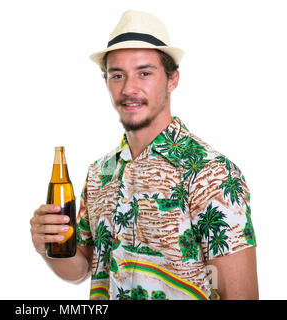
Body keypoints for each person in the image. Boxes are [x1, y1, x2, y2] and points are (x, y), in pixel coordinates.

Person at [30, 10, 258, 300]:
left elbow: (242, 295)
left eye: (144, 73)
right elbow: (83, 268)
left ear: (172, 79)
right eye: (117, 75)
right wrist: (48, 247)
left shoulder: (211, 172)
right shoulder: (100, 173)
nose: (129, 89)